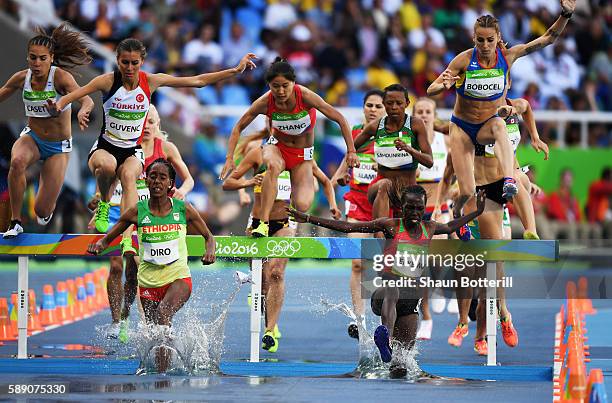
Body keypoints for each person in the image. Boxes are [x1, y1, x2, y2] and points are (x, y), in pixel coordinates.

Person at [51, 38, 255, 234]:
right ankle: (104, 203)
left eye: (134, 63)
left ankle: (128, 236)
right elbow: (76, 95)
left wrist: (235, 70)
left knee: (130, 176)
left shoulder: (150, 81)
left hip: (131, 150)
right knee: (107, 167)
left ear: (142, 62)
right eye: (124, 63)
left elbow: (198, 81)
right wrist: (62, 105)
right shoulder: (107, 81)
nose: (129, 68)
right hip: (106, 146)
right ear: (117, 60)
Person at [288, 186, 486, 377]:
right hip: (384, 297)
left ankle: (389, 352)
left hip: (410, 304)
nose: (415, 212)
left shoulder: (430, 227)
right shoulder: (391, 226)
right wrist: (307, 218)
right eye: (410, 207)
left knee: (401, 366)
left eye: (419, 208)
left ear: (425, 208)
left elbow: (451, 226)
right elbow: (349, 226)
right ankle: (386, 338)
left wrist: (477, 211)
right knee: (393, 288)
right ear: (402, 207)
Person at [426, 1, 575, 222]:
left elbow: (548, 38)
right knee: (466, 191)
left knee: (499, 124)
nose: (485, 45)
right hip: (462, 127)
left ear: (498, 37)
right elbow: (431, 90)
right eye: (480, 40)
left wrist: (565, 14)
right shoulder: (464, 60)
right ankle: (456, 212)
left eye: (489, 40)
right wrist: (444, 85)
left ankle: (509, 181)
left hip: (487, 125)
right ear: (473, 38)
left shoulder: (507, 57)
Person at [88, 159, 215, 372]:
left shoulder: (183, 209)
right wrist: (100, 244)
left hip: (178, 278)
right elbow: (112, 234)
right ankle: (168, 361)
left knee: (163, 314)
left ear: (171, 184)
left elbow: (208, 236)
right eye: (152, 176)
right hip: (148, 282)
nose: (156, 181)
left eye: (162, 177)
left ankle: (162, 379)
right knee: (155, 332)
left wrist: (209, 250)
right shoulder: (137, 212)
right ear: (146, 181)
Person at [223, 132, 340, 353]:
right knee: (263, 278)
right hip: (258, 223)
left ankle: (270, 330)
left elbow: (324, 180)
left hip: (285, 223)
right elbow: (228, 183)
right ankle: (260, 297)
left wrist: (333, 204)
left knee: (276, 273)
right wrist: (249, 181)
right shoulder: (258, 154)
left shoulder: (302, 157)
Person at [220, 57, 359, 237]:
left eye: (285, 85)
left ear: (294, 82)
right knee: (273, 166)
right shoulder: (265, 102)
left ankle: (286, 217)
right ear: (269, 85)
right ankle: (261, 222)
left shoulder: (306, 96)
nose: (281, 91)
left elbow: (340, 118)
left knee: (302, 205)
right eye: (275, 86)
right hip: (278, 148)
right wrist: (230, 157)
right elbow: (238, 127)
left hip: (302, 155)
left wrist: (351, 151)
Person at [91, 105, 195, 341]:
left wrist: (181, 193)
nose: (147, 126)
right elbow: (109, 180)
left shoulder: (166, 148)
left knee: (137, 269)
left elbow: (188, 180)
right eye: (143, 122)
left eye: (152, 122)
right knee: (119, 267)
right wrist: (100, 199)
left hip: (154, 215)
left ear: (159, 124)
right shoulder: (126, 147)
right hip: (123, 212)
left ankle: (144, 322)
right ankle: (119, 321)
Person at [1, 23, 94, 238]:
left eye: (42, 58)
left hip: (58, 147)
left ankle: (48, 209)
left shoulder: (60, 78)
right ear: (27, 58)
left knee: (41, 210)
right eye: (33, 57)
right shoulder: (21, 78)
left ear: (51, 58)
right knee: (16, 162)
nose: (37, 63)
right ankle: (15, 222)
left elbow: (87, 100)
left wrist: (82, 112)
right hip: (32, 138)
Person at [331, 89, 386, 339]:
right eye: (369, 105)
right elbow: (342, 169)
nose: (373, 109)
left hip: (382, 207)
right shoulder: (354, 133)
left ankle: (385, 314)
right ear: (363, 108)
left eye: (378, 106)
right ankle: (359, 318)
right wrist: (340, 177)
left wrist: (381, 167)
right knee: (356, 263)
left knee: (380, 265)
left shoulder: (389, 137)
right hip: (356, 204)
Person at [353, 84, 433, 222]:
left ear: (407, 103)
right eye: (389, 103)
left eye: (399, 103)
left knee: (402, 233)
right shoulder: (376, 126)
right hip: (380, 186)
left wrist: (409, 149)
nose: (394, 107)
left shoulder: (415, 125)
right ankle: (381, 236)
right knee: (386, 184)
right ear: (384, 104)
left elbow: (429, 161)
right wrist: (351, 156)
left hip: (407, 191)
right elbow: (352, 146)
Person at [412, 97, 451, 340]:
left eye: (428, 111)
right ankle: (425, 318)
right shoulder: (409, 140)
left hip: (441, 205)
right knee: (418, 268)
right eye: (420, 111)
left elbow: (456, 172)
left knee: (439, 259)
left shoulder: (445, 140)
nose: (424, 115)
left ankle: (437, 287)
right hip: (417, 209)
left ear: (434, 114)